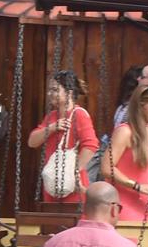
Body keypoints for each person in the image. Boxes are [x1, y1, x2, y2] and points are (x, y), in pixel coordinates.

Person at [30, 71, 99, 205]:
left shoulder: (79, 115)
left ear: (69, 93)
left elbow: (91, 145)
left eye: (55, 89)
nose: (50, 93)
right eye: (50, 89)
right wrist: (51, 128)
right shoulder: (52, 116)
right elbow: (32, 142)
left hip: (72, 185)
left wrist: (74, 172)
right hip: (53, 181)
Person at [104, 84, 148, 221]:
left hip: (143, 204)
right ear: (140, 106)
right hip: (122, 203)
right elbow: (106, 168)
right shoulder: (124, 132)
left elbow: (147, 174)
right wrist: (136, 186)